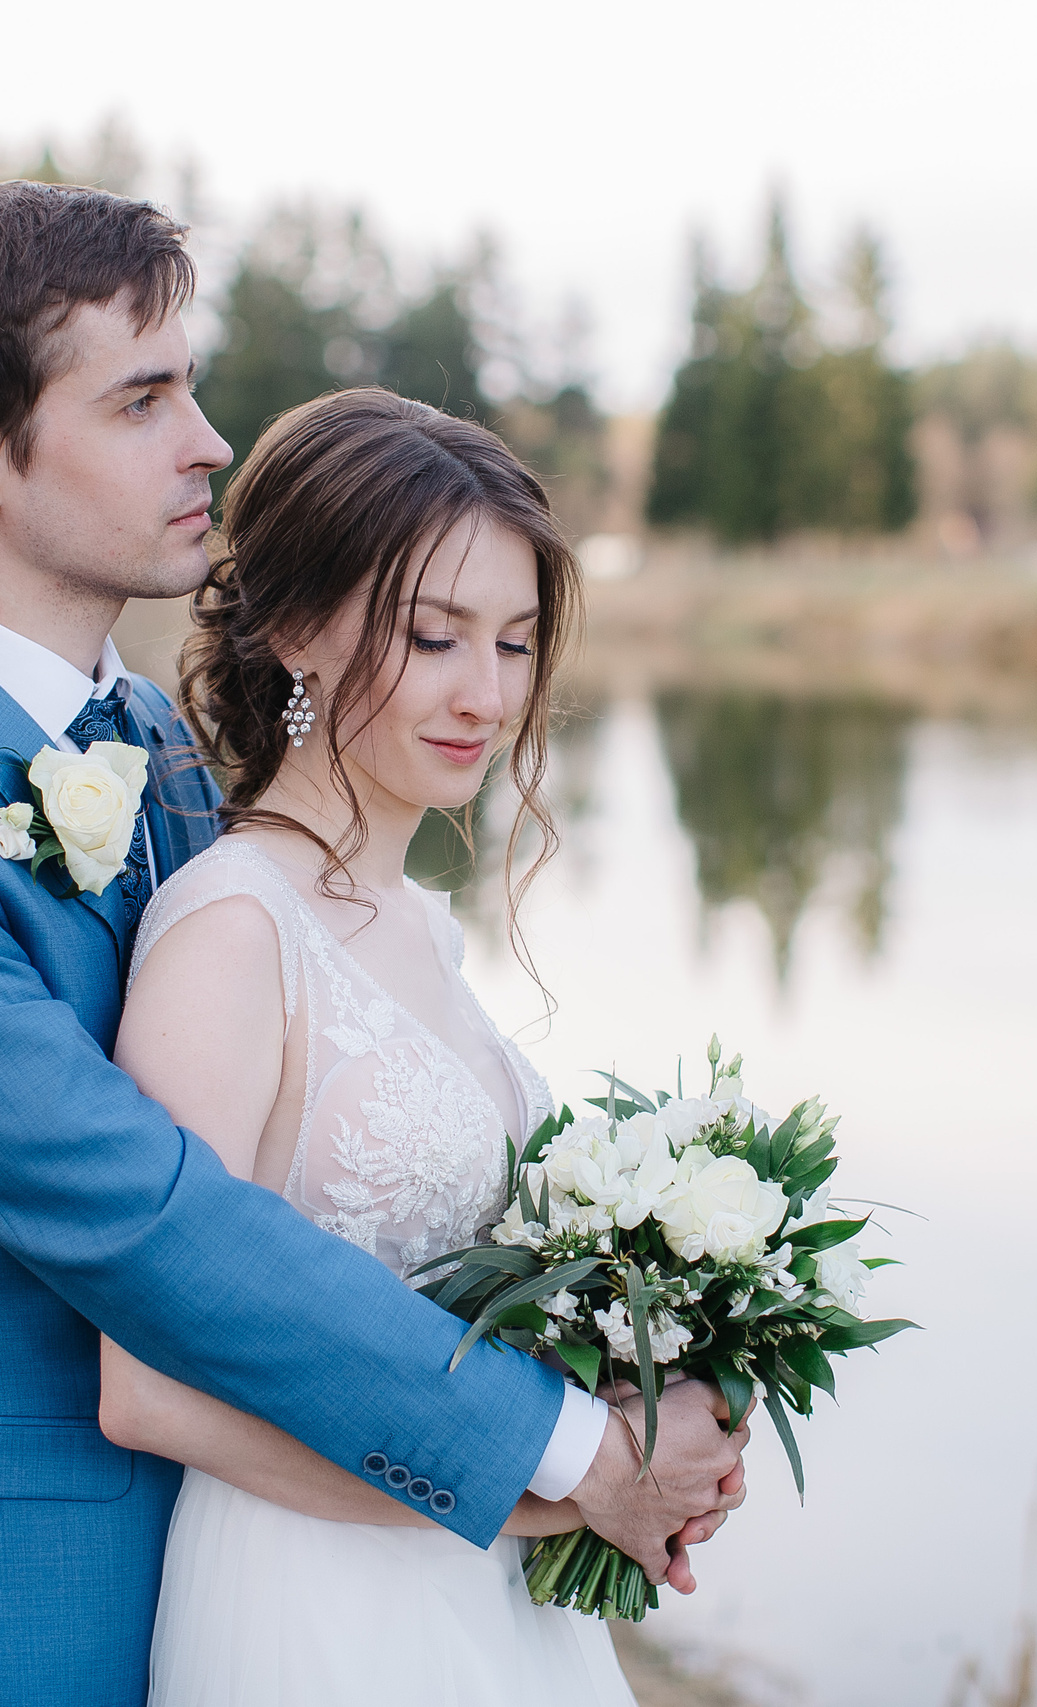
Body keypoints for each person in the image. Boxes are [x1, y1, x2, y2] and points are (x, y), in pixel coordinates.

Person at [0, 180, 747, 1706]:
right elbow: (147, 1215)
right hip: (18, 1594)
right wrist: (562, 1448)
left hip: (294, 1543)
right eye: (142, 398)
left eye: (192, 386)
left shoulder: (159, 751)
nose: (209, 440)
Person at [99, 387, 649, 1703]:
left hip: (484, 1596)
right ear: (295, 630)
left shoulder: (422, 929)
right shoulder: (231, 935)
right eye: (433, 636)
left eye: (514, 644)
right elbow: (146, 1390)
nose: (486, 695)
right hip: (312, 1606)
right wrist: (532, 1495)